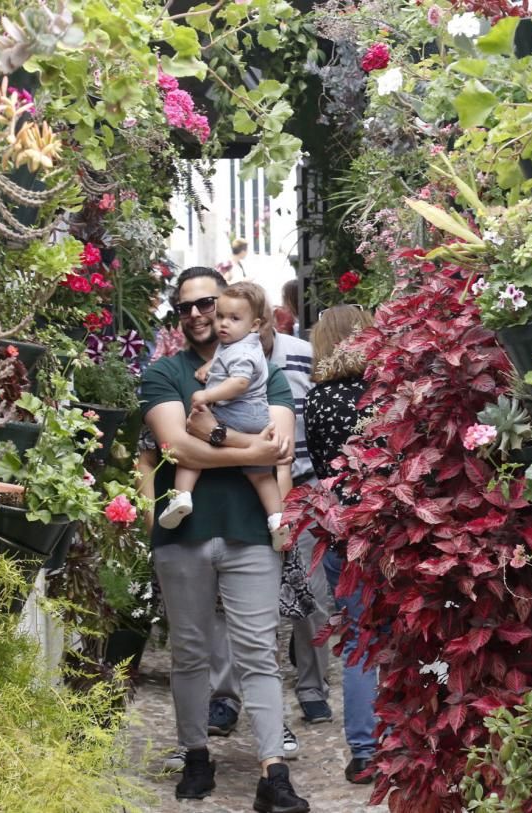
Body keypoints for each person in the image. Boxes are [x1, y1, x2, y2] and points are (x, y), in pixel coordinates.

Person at [139, 266, 310, 811]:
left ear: (226, 304)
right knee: (188, 653)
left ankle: (273, 773)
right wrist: (247, 450)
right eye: (183, 307)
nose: (195, 314)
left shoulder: (264, 369)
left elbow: (279, 446)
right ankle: (195, 755)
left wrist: (214, 437)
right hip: (182, 532)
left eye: (205, 303)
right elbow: (176, 448)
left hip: (249, 532)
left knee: (258, 653)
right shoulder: (163, 373)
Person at [204, 302, 335, 757]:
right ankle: (228, 698)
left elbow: (311, 415)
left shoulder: (298, 354)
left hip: (299, 483)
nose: (225, 325)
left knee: (308, 594)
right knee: (235, 607)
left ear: (261, 321)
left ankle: (312, 689)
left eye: (237, 318)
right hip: (244, 479)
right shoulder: (220, 359)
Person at [304, 304, 379, 785]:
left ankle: (364, 751)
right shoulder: (385, 395)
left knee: (358, 642)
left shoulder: (316, 400)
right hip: (388, 526)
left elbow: (320, 463)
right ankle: (405, 741)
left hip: (339, 532)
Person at [158, 281, 290, 553]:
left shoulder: (242, 352)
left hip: (235, 411)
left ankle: (182, 496)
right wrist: (256, 451)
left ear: (254, 325)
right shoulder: (240, 346)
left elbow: (239, 382)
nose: (222, 324)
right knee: (261, 475)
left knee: (194, 444)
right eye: (220, 316)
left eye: (232, 318)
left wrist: (207, 397)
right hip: (255, 420)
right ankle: (277, 520)